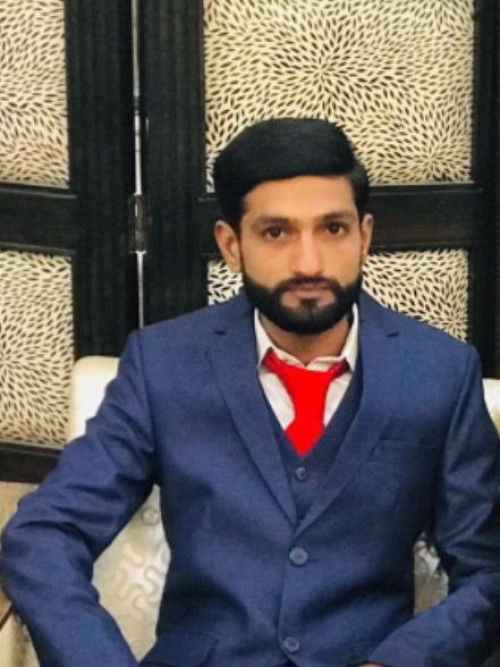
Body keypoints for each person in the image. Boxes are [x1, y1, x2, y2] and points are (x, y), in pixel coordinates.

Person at [2, 117, 500, 667]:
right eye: (276, 232)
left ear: (364, 236)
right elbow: (45, 533)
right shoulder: (163, 365)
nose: (309, 263)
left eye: (333, 229)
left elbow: (489, 570)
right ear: (231, 245)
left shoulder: (440, 372)